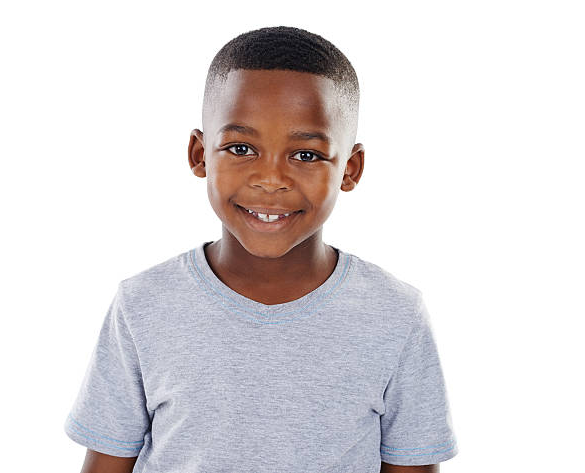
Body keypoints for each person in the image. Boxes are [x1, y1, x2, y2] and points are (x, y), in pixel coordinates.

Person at [64, 25, 459, 473]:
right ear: (199, 154)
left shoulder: (395, 314)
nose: (271, 178)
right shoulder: (143, 305)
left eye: (306, 155)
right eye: (241, 147)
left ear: (350, 169)